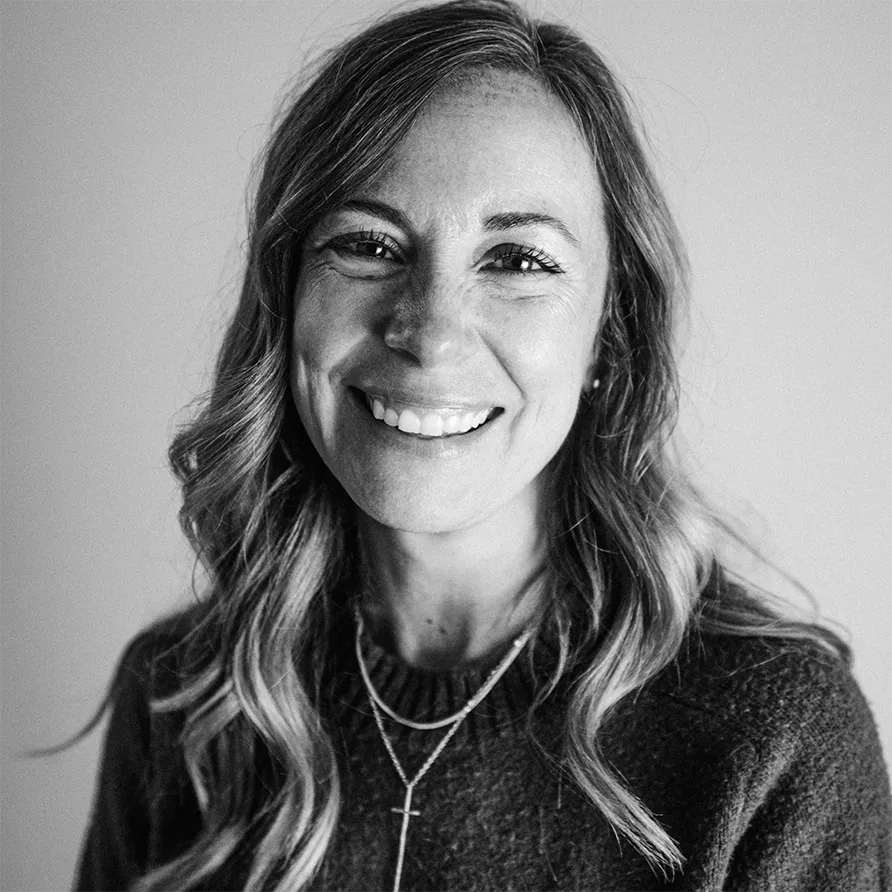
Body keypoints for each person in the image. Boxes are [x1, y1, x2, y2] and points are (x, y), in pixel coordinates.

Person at [73, 1, 892, 890]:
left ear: (607, 340)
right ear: (287, 297)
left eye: (518, 260)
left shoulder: (768, 739)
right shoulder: (185, 700)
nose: (430, 330)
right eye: (368, 243)